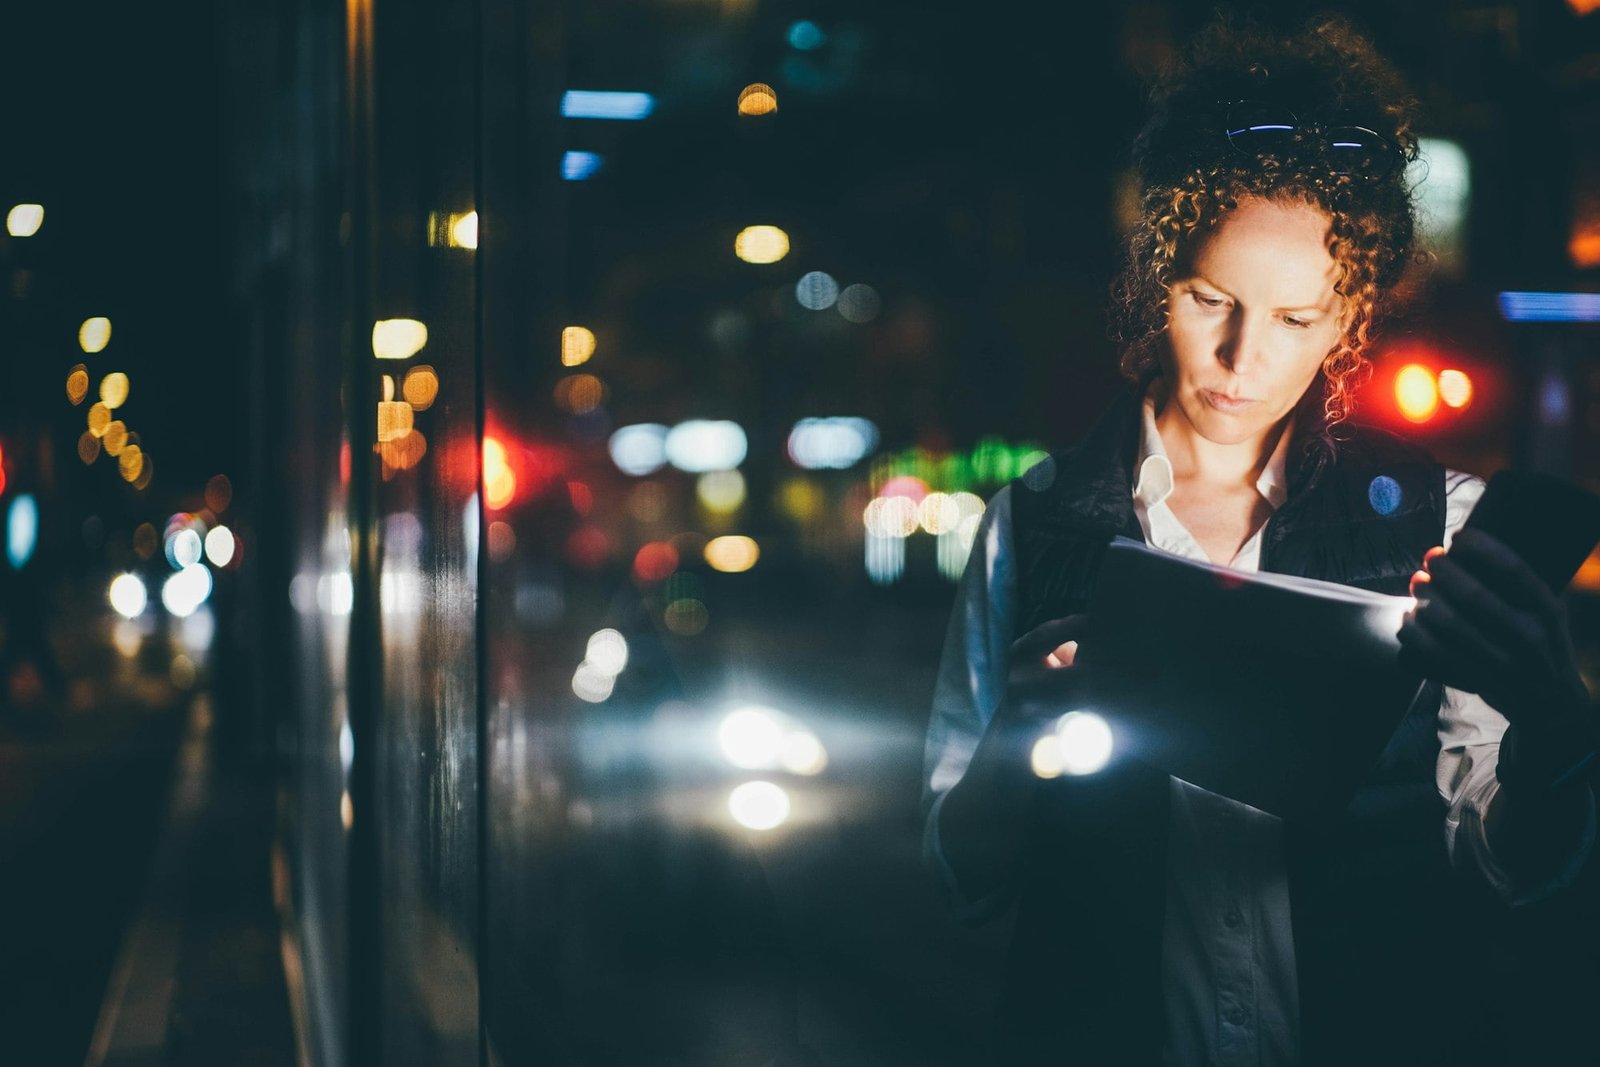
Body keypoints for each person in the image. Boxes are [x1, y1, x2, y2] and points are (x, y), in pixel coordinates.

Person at [921, 15, 1598, 1066]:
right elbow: (964, 883)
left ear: (1348, 320)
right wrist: (1016, 742)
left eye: (1294, 317)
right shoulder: (1033, 523)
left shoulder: (1441, 518)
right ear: (1157, 276)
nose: (1241, 356)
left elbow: (1502, 866)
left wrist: (1558, 728)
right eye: (1210, 299)